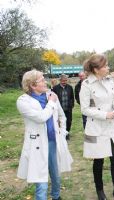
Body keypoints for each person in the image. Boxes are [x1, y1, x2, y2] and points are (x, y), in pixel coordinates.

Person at [16, 69, 73, 200]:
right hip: (37, 145)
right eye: (42, 80)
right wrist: (51, 103)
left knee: (56, 174)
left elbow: (61, 116)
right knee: (41, 181)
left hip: (53, 142)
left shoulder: (50, 95)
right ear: (32, 85)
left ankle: (56, 196)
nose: (45, 81)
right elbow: (41, 117)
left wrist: (62, 133)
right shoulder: (23, 101)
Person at [79, 54, 114, 200]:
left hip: (111, 128)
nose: (108, 68)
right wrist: (105, 114)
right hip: (95, 128)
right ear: (96, 69)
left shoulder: (110, 80)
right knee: (98, 160)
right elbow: (84, 109)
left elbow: (113, 100)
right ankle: (100, 192)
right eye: (105, 66)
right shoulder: (86, 85)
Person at [53, 74, 74, 140]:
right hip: (59, 109)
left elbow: (72, 97)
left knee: (69, 121)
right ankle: (60, 133)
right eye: (63, 81)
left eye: (65, 80)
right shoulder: (55, 88)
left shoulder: (70, 87)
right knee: (60, 121)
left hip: (68, 108)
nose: (64, 82)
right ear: (60, 80)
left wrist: (71, 105)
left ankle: (67, 133)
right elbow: (53, 98)